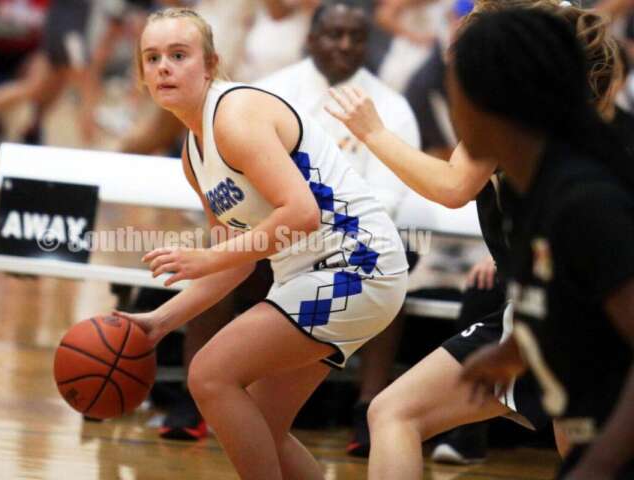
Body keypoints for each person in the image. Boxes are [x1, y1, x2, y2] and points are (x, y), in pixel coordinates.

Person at [326, 0, 628, 476]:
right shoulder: (546, 141)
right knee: (393, 413)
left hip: (580, 330)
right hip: (546, 322)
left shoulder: (566, 168)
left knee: (395, 413)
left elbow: (451, 187)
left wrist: (373, 133)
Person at [112, 7, 409, 479]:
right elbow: (236, 265)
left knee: (210, 375)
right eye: (152, 58)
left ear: (210, 65)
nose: (164, 66)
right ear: (142, 75)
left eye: (179, 54)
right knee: (264, 427)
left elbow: (302, 213)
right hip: (319, 274)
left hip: (356, 264)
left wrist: (208, 255)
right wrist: (158, 322)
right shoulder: (194, 154)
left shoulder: (236, 115)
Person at [447, 9, 634, 478]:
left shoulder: (586, 200)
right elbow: (562, 306)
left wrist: (599, 463)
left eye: (459, 87)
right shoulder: (527, 190)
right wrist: (510, 354)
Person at [256, 0, 421, 457]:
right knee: (221, 251)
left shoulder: (392, 107)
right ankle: (197, 403)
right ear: (311, 39)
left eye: (356, 36)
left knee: (393, 261)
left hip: (358, 239)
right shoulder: (271, 93)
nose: (345, 45)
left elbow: (388, 197)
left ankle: (367, 403)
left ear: (370, 43)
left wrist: (317, 229)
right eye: (334, 34)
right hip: (281, 232)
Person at [0, 0, 99, 151]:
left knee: (48, 88)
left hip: (65, 32)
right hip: (66, 35)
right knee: (42, 87)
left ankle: (30, 129)